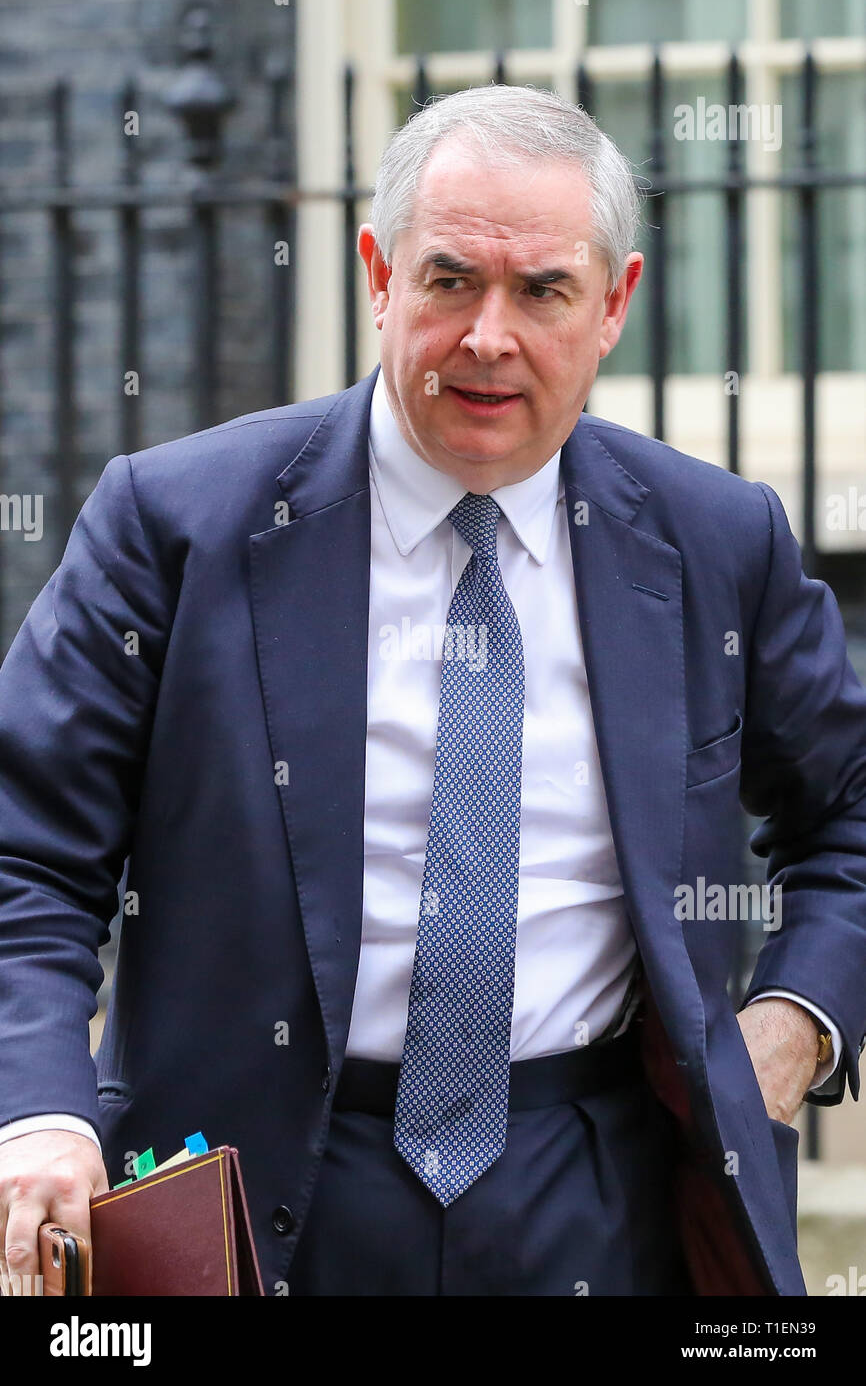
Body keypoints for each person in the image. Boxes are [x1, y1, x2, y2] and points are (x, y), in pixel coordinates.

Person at [1, 83, 865, 1298]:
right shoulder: (174, 524)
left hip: (602, 1194)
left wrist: (795, 1021)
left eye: (543, 290)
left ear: (612, 303)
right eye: (450, 279)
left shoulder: (717, 541)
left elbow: (849, 806)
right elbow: (25, 854)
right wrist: (36, 1111)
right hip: (237, 1194)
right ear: (377, 275)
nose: (486, 337)